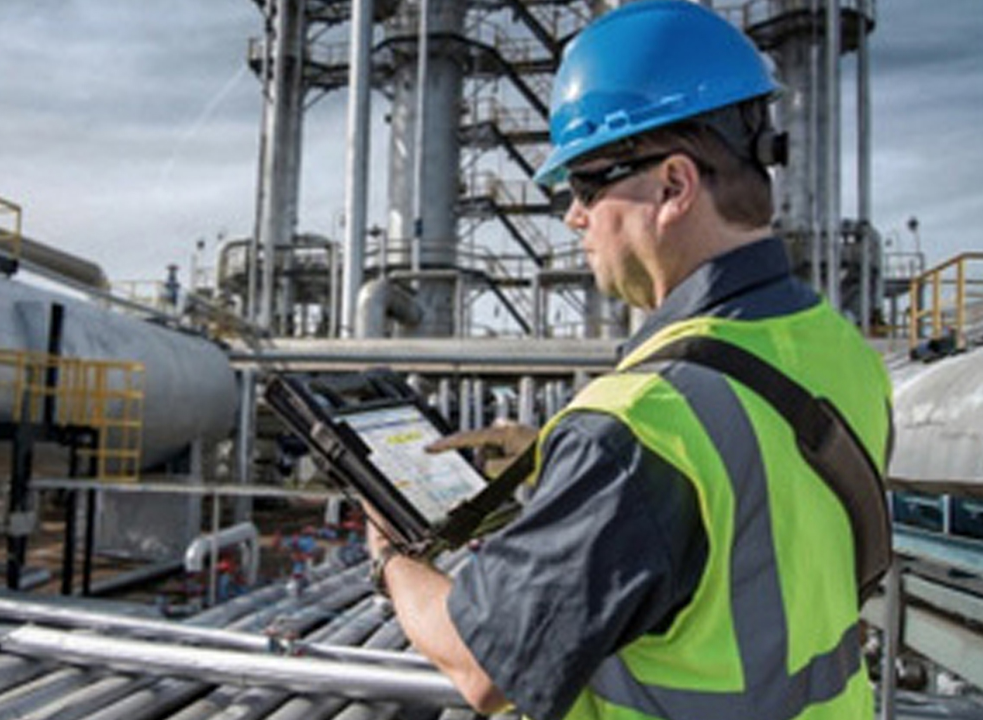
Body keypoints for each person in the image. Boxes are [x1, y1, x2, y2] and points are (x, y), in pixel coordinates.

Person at [365, 1, 892, 718]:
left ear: (673, 186)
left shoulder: (640, 427)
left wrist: (390, 555)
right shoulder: (838, 349)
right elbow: (758, 528)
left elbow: (483, 664)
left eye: (585, 182)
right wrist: (554, 466)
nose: (573, 215)